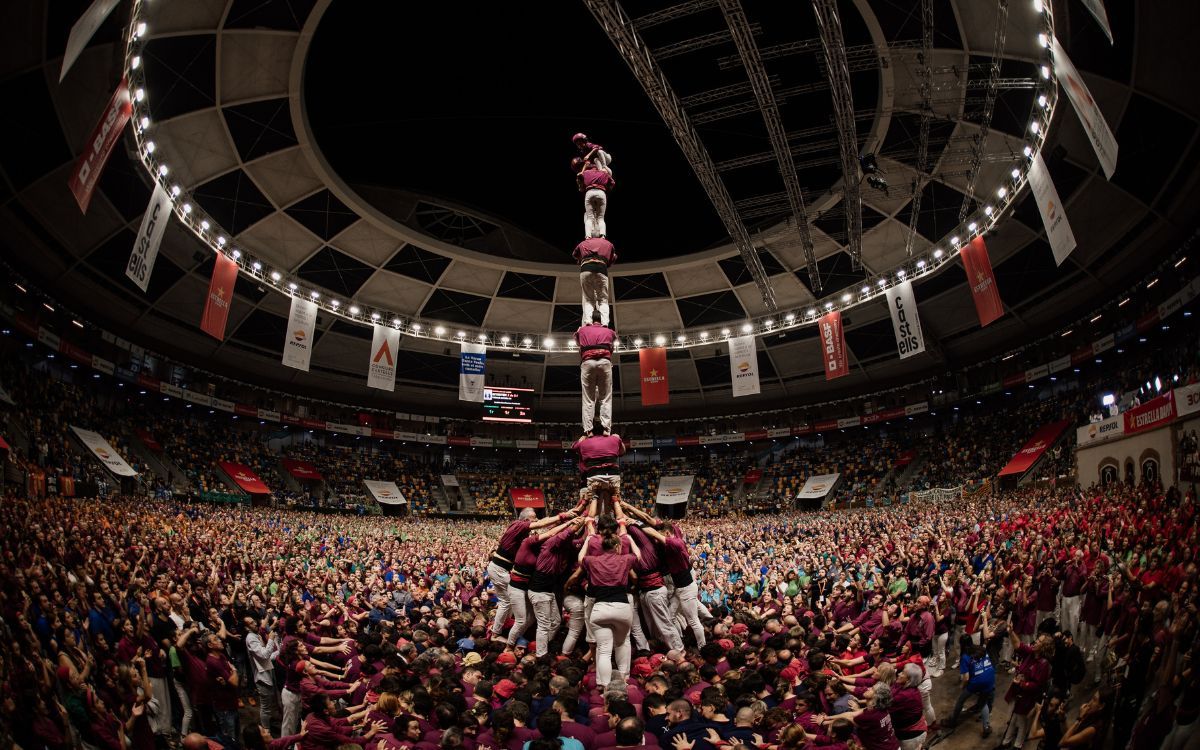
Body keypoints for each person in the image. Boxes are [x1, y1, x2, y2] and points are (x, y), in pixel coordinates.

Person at [570, 515, 640, 687]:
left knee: (603, 650)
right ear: (617, 546)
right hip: (622, 607)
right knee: (622, 643)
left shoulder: (592, 560)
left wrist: (587, 540)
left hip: (600, 609)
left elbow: (580, 559)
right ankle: (623, 679)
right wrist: (630, 539)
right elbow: (638, 556)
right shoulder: (624, 559)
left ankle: (604, 685)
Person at [999, 631, 1053, 750]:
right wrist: (1011, 632)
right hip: (1018, 692)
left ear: (1044, 647)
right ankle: (1006, 741)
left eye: (1039, 641)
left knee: (1022, 722)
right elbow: (1019, 645)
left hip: (1027, 697)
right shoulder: (1032, 653)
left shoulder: (1043, 664)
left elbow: (1037, 685)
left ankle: (1017, 745)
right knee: (1013, 719)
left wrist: (1023, 684)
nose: (1035, 642)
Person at [947, 635, 995, 739]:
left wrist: (962, 686)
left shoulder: (965, 656)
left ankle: (953, 721)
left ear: (961, 644)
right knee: (983, 702)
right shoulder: (981, 648)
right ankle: (986, 726)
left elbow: (966, 678)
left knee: (961, 700)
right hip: (990, 678)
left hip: (977, 682)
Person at [575, 314, 616, 433]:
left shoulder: (582, 330)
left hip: (587, 362)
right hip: (604, 362)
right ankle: (606, 429)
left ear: (591, 320)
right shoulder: (609, 331)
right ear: (601, 320)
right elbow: (613, 344)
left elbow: (578, 343)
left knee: (588, 399)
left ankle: (588, 430)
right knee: (605, 398)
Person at [573, 424, 626, 517]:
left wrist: (582, 438)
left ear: (591, 431)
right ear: (604, 430)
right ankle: (612, 526)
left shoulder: (584, 442)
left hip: (594, 475)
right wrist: (618, 438)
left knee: (594, 503)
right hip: (612, 475)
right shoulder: (614, 439)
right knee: (613, 503)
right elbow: (622, 452)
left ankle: (592, 526)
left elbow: (574, 448)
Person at [245, 615, 282, 735]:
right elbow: (265, 655)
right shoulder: (250, 638)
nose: (255, 623)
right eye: (251, 623)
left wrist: (278, 649)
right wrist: (271, 640)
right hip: (262, 677)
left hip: (267, 672)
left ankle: (270, 726)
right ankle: (266, 731)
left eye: (254, 621)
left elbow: (266, 658)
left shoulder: (256, 636)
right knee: (265, 707)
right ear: (247, 628)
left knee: (272, 703)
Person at [573, 237, 617, 328]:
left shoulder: (583, 243)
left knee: (588, 299)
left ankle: (588, 321)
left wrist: (581, 259)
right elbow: (614, 257)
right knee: (603, 300)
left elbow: (574, 255)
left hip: (586, 267)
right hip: (601, 267)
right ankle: (605, 323)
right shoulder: (608, 243)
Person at [576, 161, 614, 239]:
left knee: (589, 218)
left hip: (589, 192)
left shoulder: (586, 172)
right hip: (601, 193)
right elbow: (612, 183)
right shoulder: (604, 173)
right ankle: (602, 235)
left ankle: (588, 236)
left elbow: (578, 176)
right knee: (600, 218)